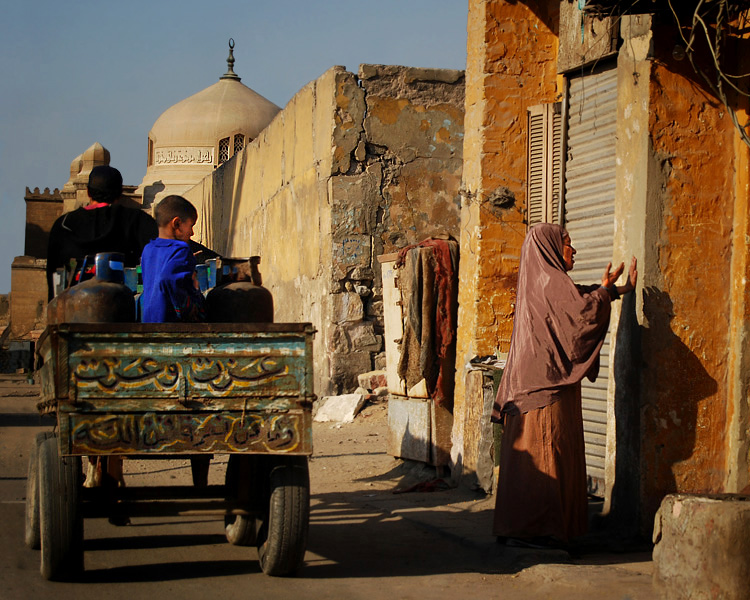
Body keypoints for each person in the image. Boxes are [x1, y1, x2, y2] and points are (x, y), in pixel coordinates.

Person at [491, 222, 637, 549]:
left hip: (532, 384)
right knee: (547, 452)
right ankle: (541, 529)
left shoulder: (538, 281)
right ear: (551, 249)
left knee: (533, 455)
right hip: (545, 387)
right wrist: (608, 293)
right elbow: (580, 314)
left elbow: (573, 300)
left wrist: (610, 290)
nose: (574, 250)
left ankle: (519, 526)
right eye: (568, 244)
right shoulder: (552, 283)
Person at [46, 165, 157, 299]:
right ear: (120, 192)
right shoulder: (139, 220)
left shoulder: (64, 224)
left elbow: (53, 270)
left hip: (73, 304)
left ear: (88, 192)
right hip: (123, 304)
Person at [140, 195, 205, 323]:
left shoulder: (148, 249)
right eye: (191, 226)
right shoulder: (181, 250)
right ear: (177, 223)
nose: (192, 233)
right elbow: (167, 278)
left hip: (149, 321)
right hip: (172, 324)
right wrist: (188, 309)